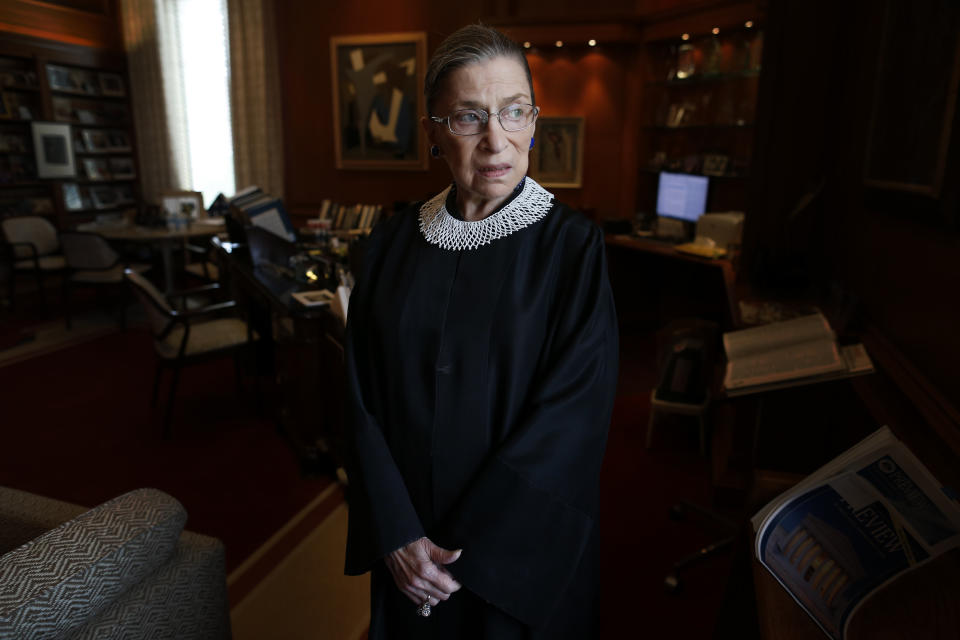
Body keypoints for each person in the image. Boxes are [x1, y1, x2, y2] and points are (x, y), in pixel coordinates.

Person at [343, 24, 619, 639]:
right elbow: (357, 397)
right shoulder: (389, 245)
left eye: (514, 112)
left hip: (519, 561)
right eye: (468, 117)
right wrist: (395, 533)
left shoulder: (572, 248)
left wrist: (468, 551)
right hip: (406, 560)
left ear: (534, 121)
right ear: (434, 134)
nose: (497, 140)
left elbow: (572, 419)